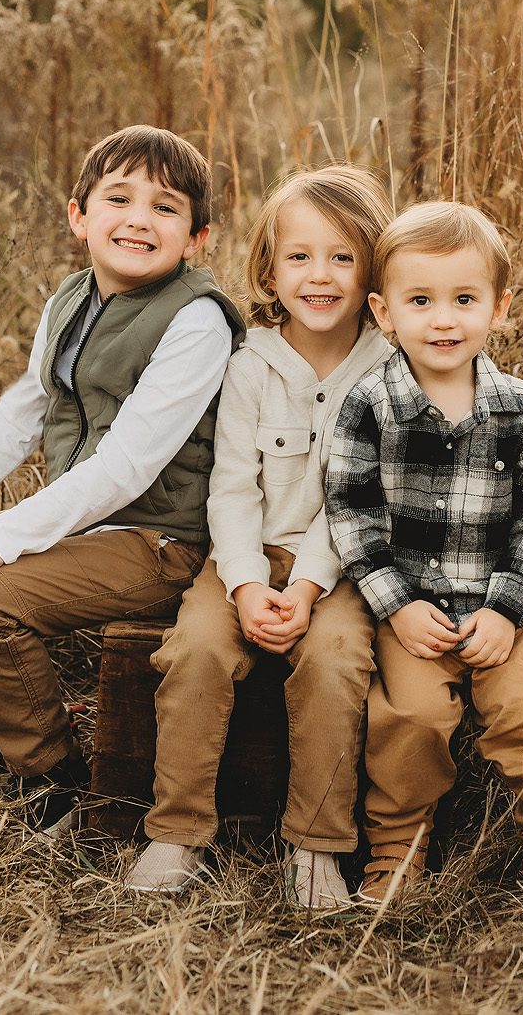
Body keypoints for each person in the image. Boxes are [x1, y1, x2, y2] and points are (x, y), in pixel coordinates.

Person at [0, 125, 244, 836]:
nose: (139, 217)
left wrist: (0, 543)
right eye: (118, 197)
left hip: (158, 539)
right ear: (79, 217)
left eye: (166, 207)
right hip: (90, 524)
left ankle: (53, 774)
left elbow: (129, 466)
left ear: (197, 238)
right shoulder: (71, 301)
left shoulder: (197, 320)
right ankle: (7, 731)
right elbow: (17, 415)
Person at [125, 166, 392, 909]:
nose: (320, 275)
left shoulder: (386, 372)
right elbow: (231, 488)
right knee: (198, 648)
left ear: (372, 268)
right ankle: (176, 830)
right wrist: (245, 584)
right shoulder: (249, 363)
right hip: (241, 554)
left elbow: (356, 504)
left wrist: (304, 589)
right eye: (300, 256)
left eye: (343, 257)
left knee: (338, 659)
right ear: (269, 268)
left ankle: (316, 847)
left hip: (339, 564)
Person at [326, 200, 523, 913]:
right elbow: (351, 517)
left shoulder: (520, 407)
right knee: (408, 725)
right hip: (412, 612)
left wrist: (508, 610)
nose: (443, 320)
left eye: (464, 300)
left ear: (499, 308)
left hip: (504, 610)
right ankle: (398, 855)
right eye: (421, 301)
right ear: (384, 313)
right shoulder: (369, 406)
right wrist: (398, 607)